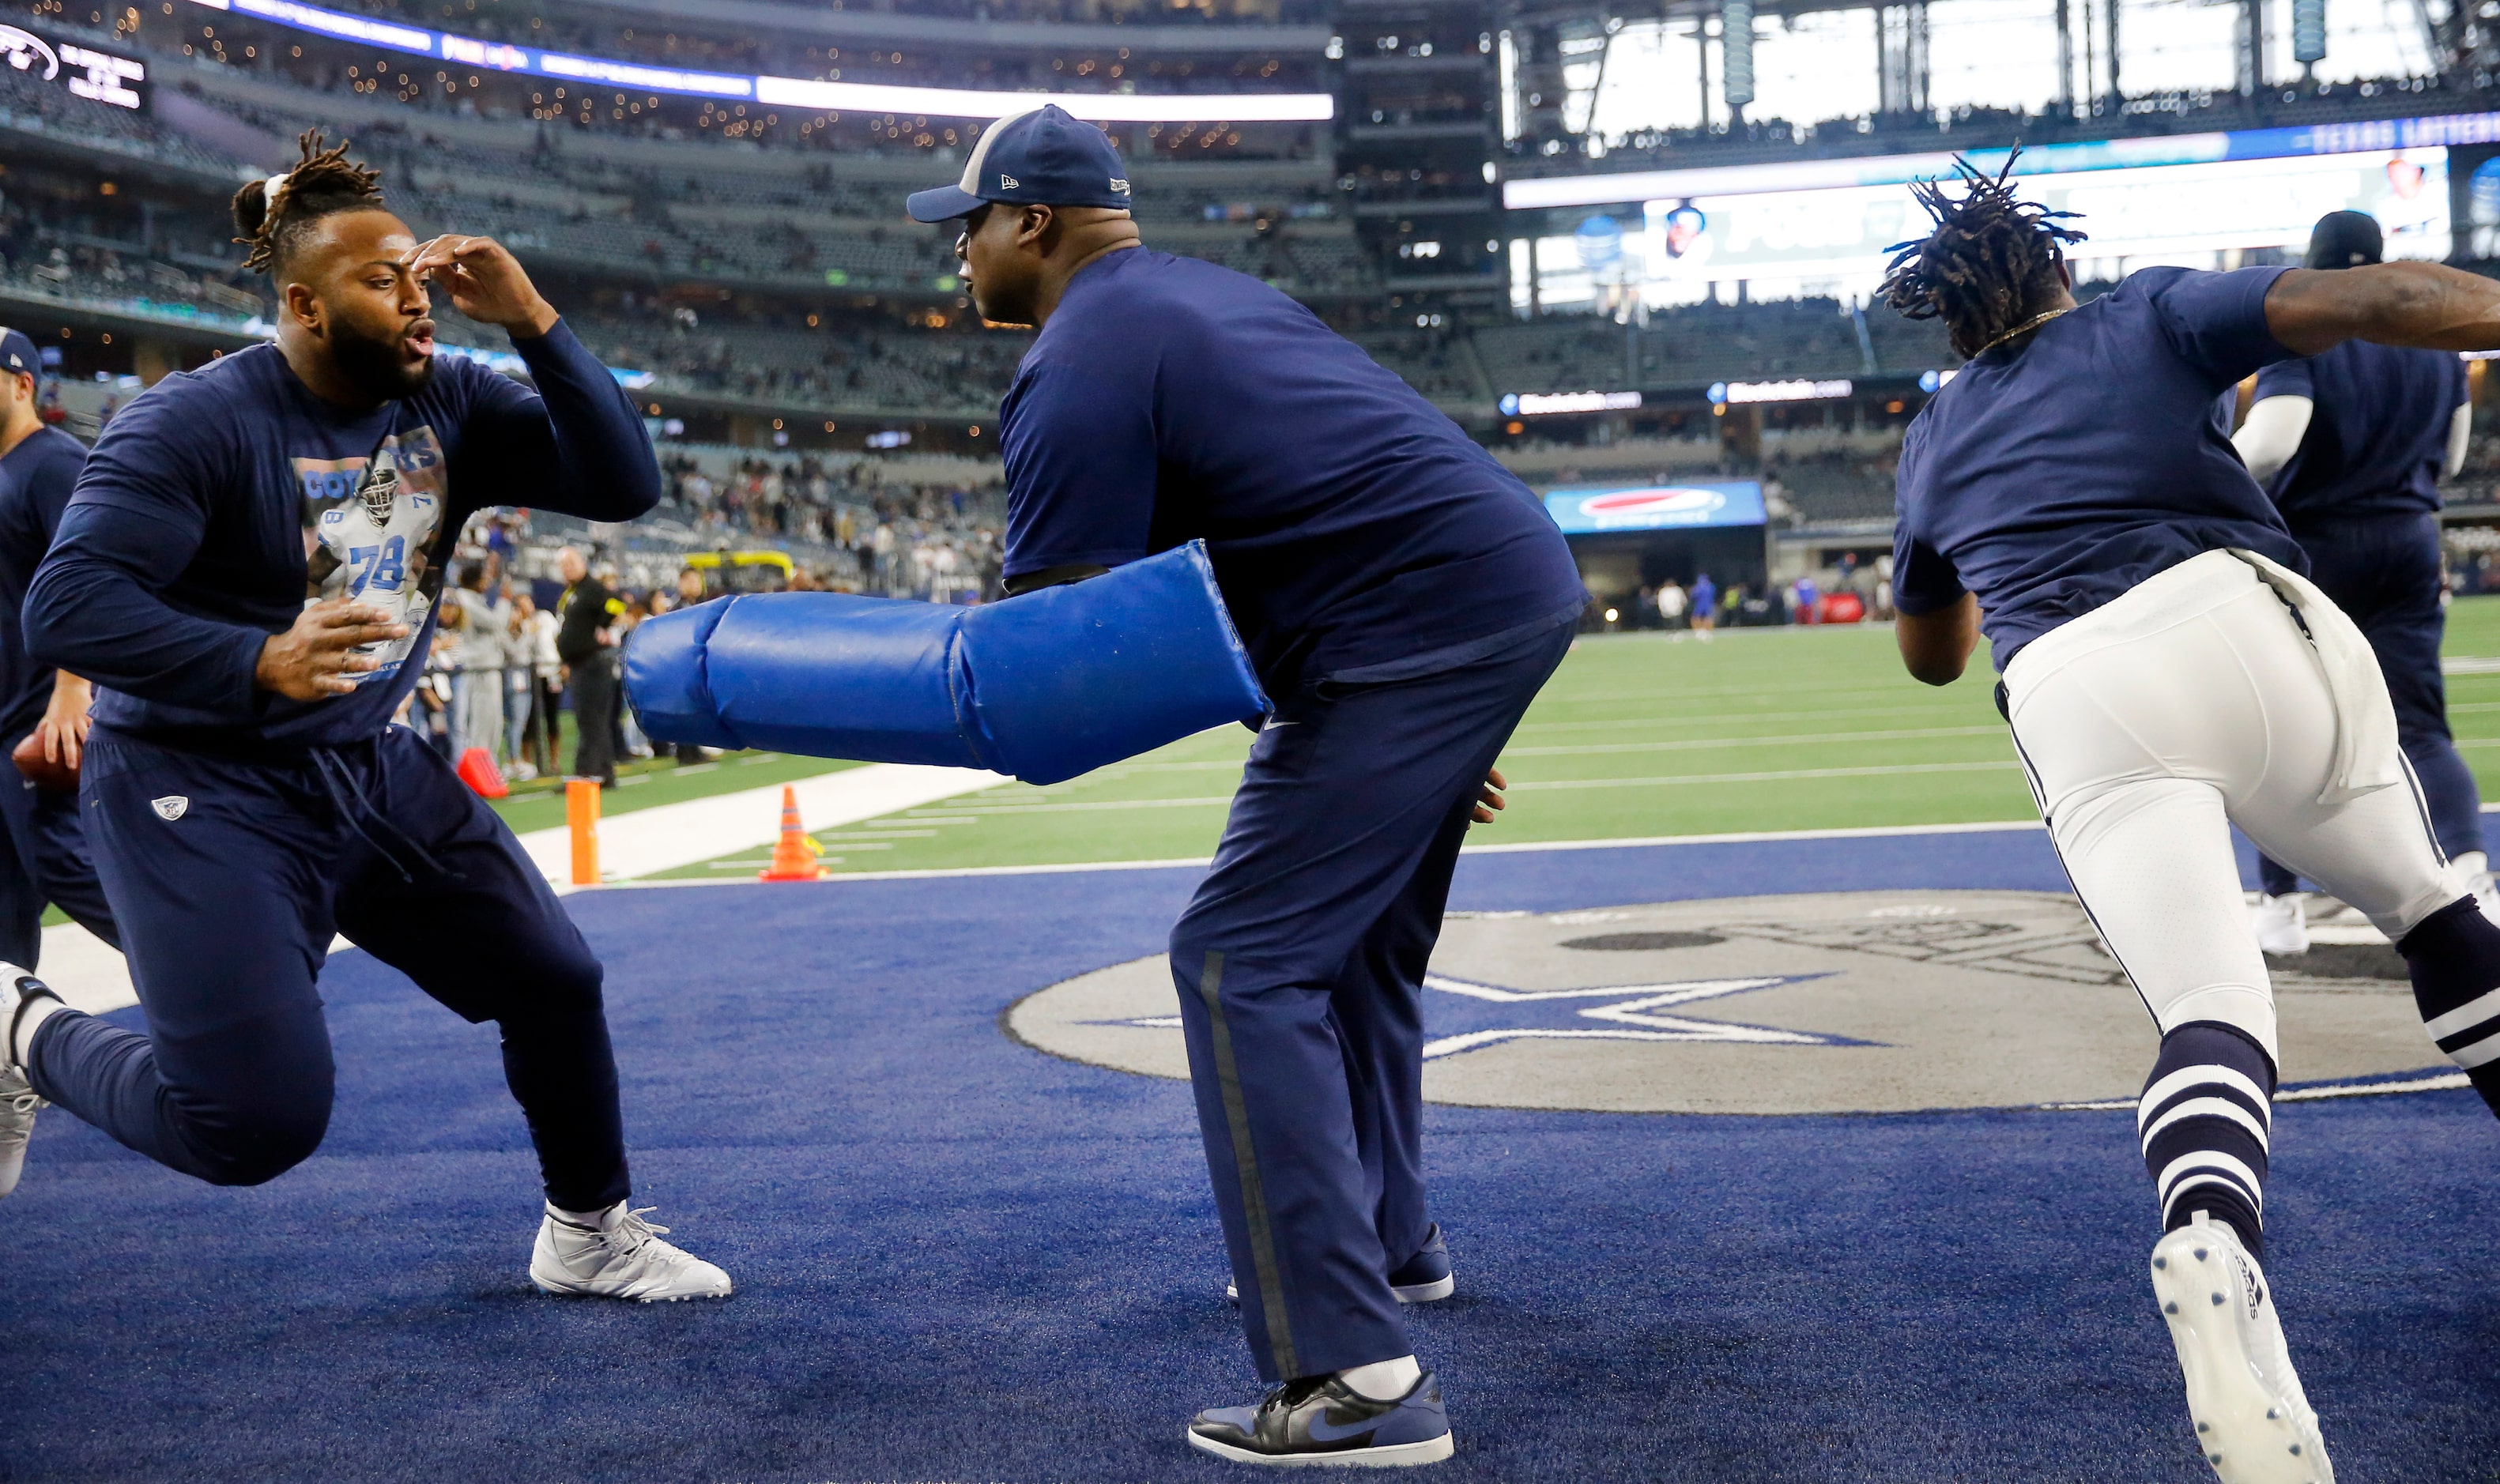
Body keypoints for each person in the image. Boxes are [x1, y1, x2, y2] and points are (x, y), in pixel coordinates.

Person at [907, 104, 1586, 1466]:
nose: (957, 256)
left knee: (1236, 960)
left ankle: (1356, 1378)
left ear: (1031, 221)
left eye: (966, 225)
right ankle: (1389, 1244)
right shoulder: (1194, 299)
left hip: (1404, 631)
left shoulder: (1079, 355)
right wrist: (1424, 718)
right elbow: (1261, 551)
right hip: (1471, 594)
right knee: (1358, 943)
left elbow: (1064, 657)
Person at [0, 133, 731, 1301]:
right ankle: (21, 1031)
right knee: (252, 1125)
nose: (416, 300)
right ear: (302, 303)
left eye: (418, 275)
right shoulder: (189, 422)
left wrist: (535, 319)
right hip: (198, 781)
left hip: (360, 761)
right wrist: (255, 659)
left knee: (553, 977)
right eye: (380, 281)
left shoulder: (448, 397)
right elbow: (66, 607)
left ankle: (587, 1231)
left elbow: (622, 484)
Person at [1882, 156, 2500, 1482]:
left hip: (2072, 684)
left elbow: (1931, 653)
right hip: (2236, 607)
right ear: (2056, 272)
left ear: (1948, 319)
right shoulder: (2144, 313)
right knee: (2431, 907)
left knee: (2210, 1008)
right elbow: (2382, 296)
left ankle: (2211, 1224)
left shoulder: (1929, 435)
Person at [2231, 210, 2480, 954]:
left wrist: (2204, 478)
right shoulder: (2432, 341)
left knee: (2287, 729)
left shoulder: (2304, 330)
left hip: (2316, 547)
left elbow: (2274, 441)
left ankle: (2280, 909)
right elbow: (2457, 457)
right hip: (2408, 538)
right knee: (2423, 727)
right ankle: (2473, 878)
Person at [0, 326, 120, 1199]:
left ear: (17, 383)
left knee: (117, 898)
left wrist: (73, 689)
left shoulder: (53, 464)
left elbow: (93, 575)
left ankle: (236, 991)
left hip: (41, 739)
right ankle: (11, 1074)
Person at [554, 545, 622, 785]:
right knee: (590, 720)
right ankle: (602, 772)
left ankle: (588, 773)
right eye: (564, 565)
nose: (567, 568)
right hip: (580, 664)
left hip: (593, 662)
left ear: (582, 563)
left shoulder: (592, 588)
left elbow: (618, 603)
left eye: (571, 563)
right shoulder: (572, 593)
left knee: (592, 719)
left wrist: (605, 626)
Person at [1689, 569, 1717, 638]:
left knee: (1695, 618)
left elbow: (1693, 596)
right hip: (1709, 604)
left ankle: (1698, 631)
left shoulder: (1698, 587)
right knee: (1708, 618)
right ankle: (1708, 632)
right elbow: (1714, 595)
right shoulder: (1711, 586)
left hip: (1700, 605)